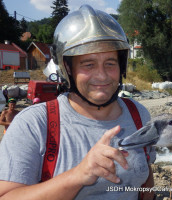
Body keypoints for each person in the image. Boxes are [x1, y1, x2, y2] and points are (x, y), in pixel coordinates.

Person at [0, 5, 155, 200]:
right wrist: (79, 175)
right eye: (88, 64)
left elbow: (145, 179)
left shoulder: (139, 115)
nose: (102, 75)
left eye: (110, 63)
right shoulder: (34, 124)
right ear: (68, 69)